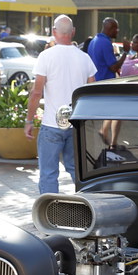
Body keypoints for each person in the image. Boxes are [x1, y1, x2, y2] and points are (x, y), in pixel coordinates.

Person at [25, 15, 96, 194]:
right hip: (76, 124)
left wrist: (29, 120)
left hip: (51, 124)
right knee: (77, 171)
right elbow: (92, 93)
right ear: (73, 32)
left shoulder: (45, 56)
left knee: (48, 173)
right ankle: (88, 206)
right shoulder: (85, 58)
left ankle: (50, 215)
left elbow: (36, 92)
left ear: (54, 32)